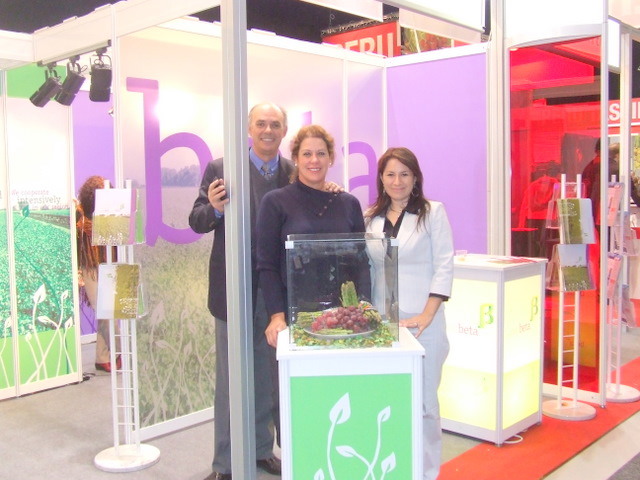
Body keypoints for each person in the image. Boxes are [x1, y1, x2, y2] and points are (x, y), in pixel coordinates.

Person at [189, 102, 291, 480]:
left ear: (284, 131)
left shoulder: (293, 172)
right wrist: (215, 208)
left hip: (276, 293)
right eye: (261, 123)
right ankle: (226, 464)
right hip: (232, 291)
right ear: (249, 128)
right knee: (231, 380)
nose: (268, 130)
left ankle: (262, 451)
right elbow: (197, 220)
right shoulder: (222, 169)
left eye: (275, 124)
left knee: (268, 377)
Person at [365, 147, 454, 480]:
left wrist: (428, 314)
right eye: (390, 174)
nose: (397, 181)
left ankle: (426, 473)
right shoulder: (370, 217)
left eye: (404, 174)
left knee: (425, 405)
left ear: (415, 178)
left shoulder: (433, 213)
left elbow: (444, 265)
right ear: (381, 179)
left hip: (422, 324)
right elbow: (368, 267)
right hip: (383, 325)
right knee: (389, 400)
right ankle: (393, 468)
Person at [256, 124, 366, 348]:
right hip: (295, 317)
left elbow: (361, 263)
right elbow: (267, 265)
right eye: (307, 154)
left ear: (330, 158)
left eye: (321, 154)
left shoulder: (349, 204)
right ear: (296, 159)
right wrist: (277, 316)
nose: (314, 160)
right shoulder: (275, 202)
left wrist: (362, 308)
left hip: (344, 316)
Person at [75, 175, 121, 373]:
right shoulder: (80, 214)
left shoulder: (112, 213)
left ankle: (102, 358)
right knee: (104, 311)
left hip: (109, 265)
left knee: (108, 312)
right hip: (90, 268)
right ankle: (122, 350)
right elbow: (74, 242)